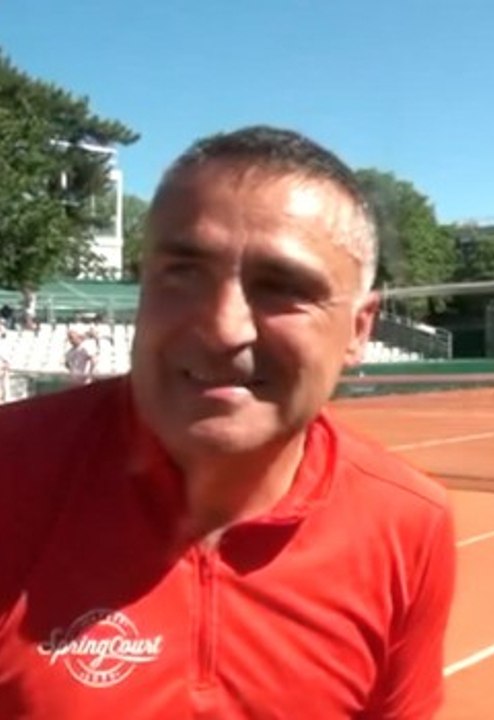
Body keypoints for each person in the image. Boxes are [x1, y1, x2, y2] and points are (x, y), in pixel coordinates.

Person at [0, 126, 457, 718]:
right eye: (183, 273)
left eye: (283, 287)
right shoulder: (11, 478)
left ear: (359, 330)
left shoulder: (408, 526)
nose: (222, 328)